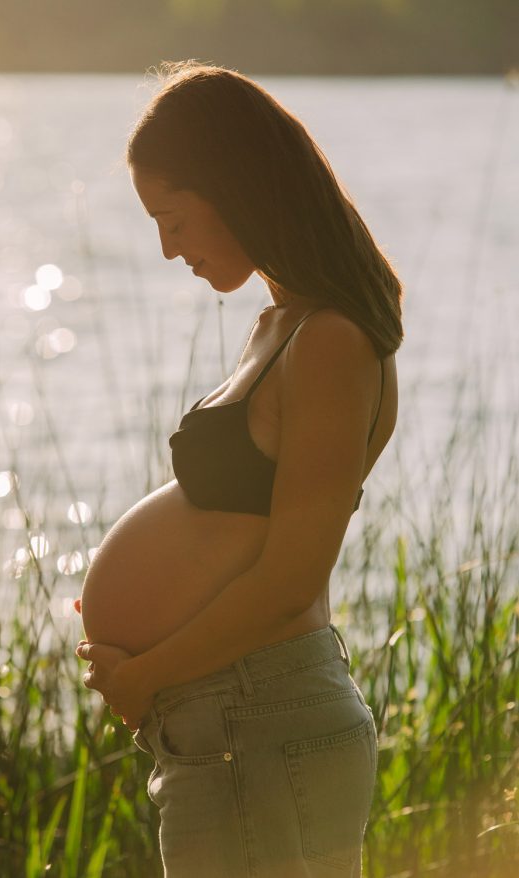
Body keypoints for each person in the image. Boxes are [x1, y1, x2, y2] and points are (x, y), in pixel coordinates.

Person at [75, 60, 403, 878]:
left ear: (237, 188)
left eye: (175, 220)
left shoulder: (330, 340)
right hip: (231, 724)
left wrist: (143, 674)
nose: (166, 249)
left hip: (260, 720)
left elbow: (292, 579)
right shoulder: (284, 324)